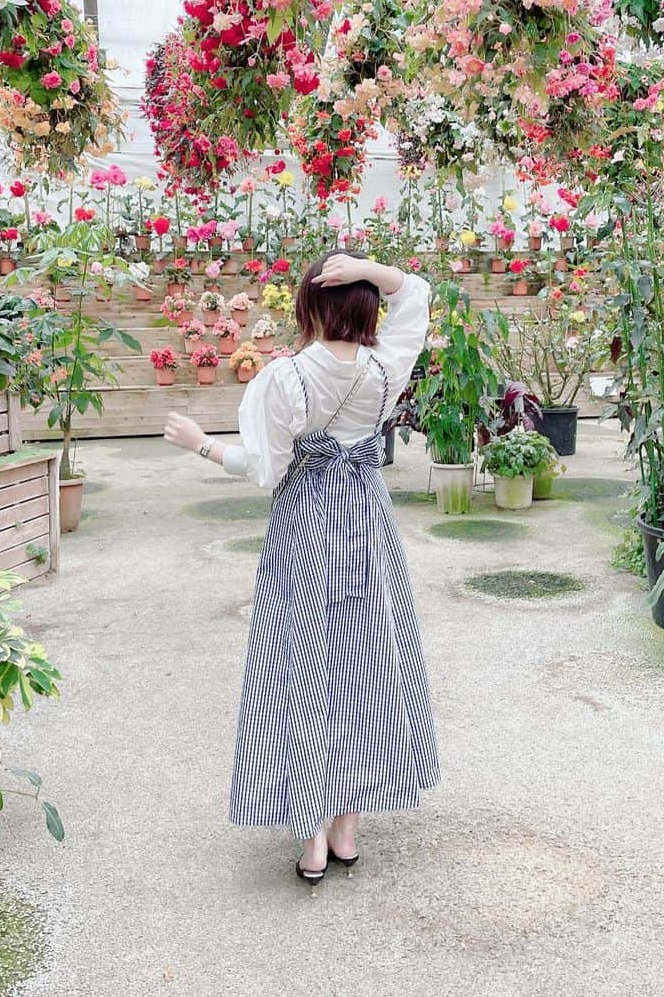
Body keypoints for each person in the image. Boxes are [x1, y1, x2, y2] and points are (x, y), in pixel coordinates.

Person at [164, 253, 439, 887]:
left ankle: (311, 834)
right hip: (369, 532)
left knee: (301, 672)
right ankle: (347, 828)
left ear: (310, 306)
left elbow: (264, 468)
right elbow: (417, 295)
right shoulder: (385, 368)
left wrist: (200, 444)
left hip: (307, 536)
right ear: (369, 306)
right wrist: (372, 268)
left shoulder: (283, 379)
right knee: (369, 670)